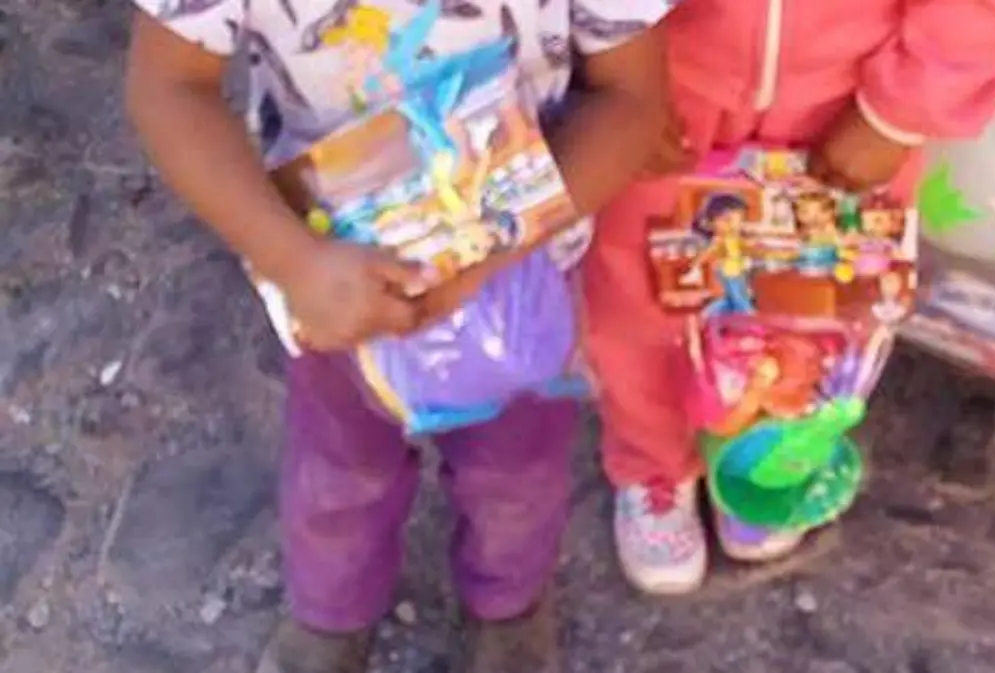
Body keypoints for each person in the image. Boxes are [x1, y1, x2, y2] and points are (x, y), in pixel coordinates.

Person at [124, 1, 675, 671]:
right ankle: (332, 611)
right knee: (341, 465)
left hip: (522, 273)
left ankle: (511, 604)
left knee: (516, 472)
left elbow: (632, 98)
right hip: (332, 276)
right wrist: (294, 259)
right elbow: (169, 83)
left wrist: (483, 251)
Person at [583, 0, 995, 595]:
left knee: (820, 303)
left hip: (855, 97)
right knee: (639, 298)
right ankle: (654, 467)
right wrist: (617, 71)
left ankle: (764, 452)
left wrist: (899, 113)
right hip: (665, 83)